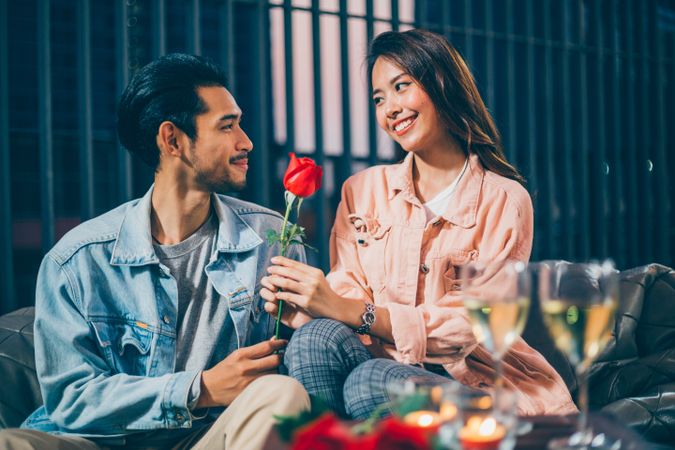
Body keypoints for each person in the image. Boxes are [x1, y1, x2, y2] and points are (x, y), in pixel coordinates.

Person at [261, 29, 576, 418]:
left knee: (369, 382)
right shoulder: (361, 190)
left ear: (441, 81)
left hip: (476, 383)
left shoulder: (505, 200)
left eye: (401, 87)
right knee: (313, 339)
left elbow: (468, 325)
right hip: (376, 361)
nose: (390, 108)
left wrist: (355, 312)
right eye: (379, 99)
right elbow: (346, 289)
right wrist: (305, 308)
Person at [0, 54, 309, 450]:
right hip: (102, 443)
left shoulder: (271, 240)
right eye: (227, 126)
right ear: (173, 139)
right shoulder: (76, 262)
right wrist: (199, 389)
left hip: (211, 438)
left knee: (280, 396)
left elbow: (298, 359)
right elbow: (71, 402)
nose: (245, 141)